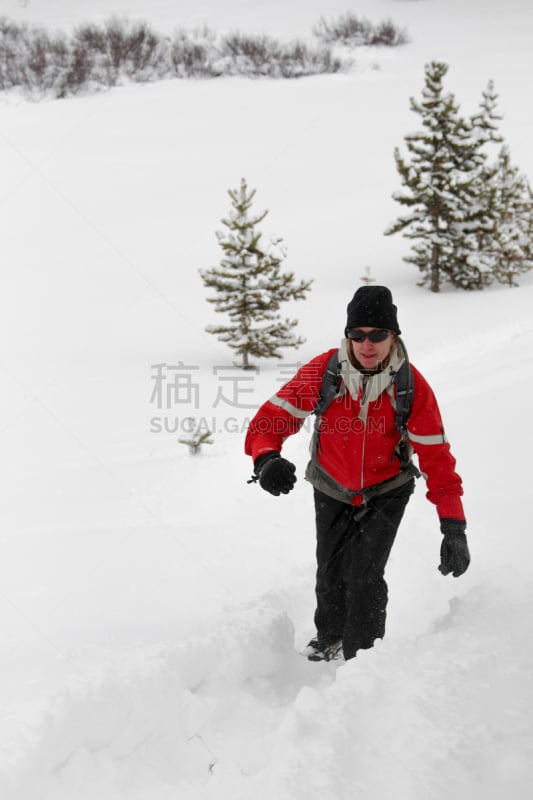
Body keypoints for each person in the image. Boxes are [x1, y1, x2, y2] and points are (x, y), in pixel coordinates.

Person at [245, 285, 470, 662]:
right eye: (358, 335)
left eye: (378, 334)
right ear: (348, 336)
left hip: (387, 490)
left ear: (393, 336)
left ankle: (362, 657)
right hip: (330, 484)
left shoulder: (410, 387)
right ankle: (329, 636)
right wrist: (266, 459)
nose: (367, 344)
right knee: (330, 571)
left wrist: (454, 527)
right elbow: (268, 422)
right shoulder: (325, 371)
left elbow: (438, 463)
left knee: (366, 575)